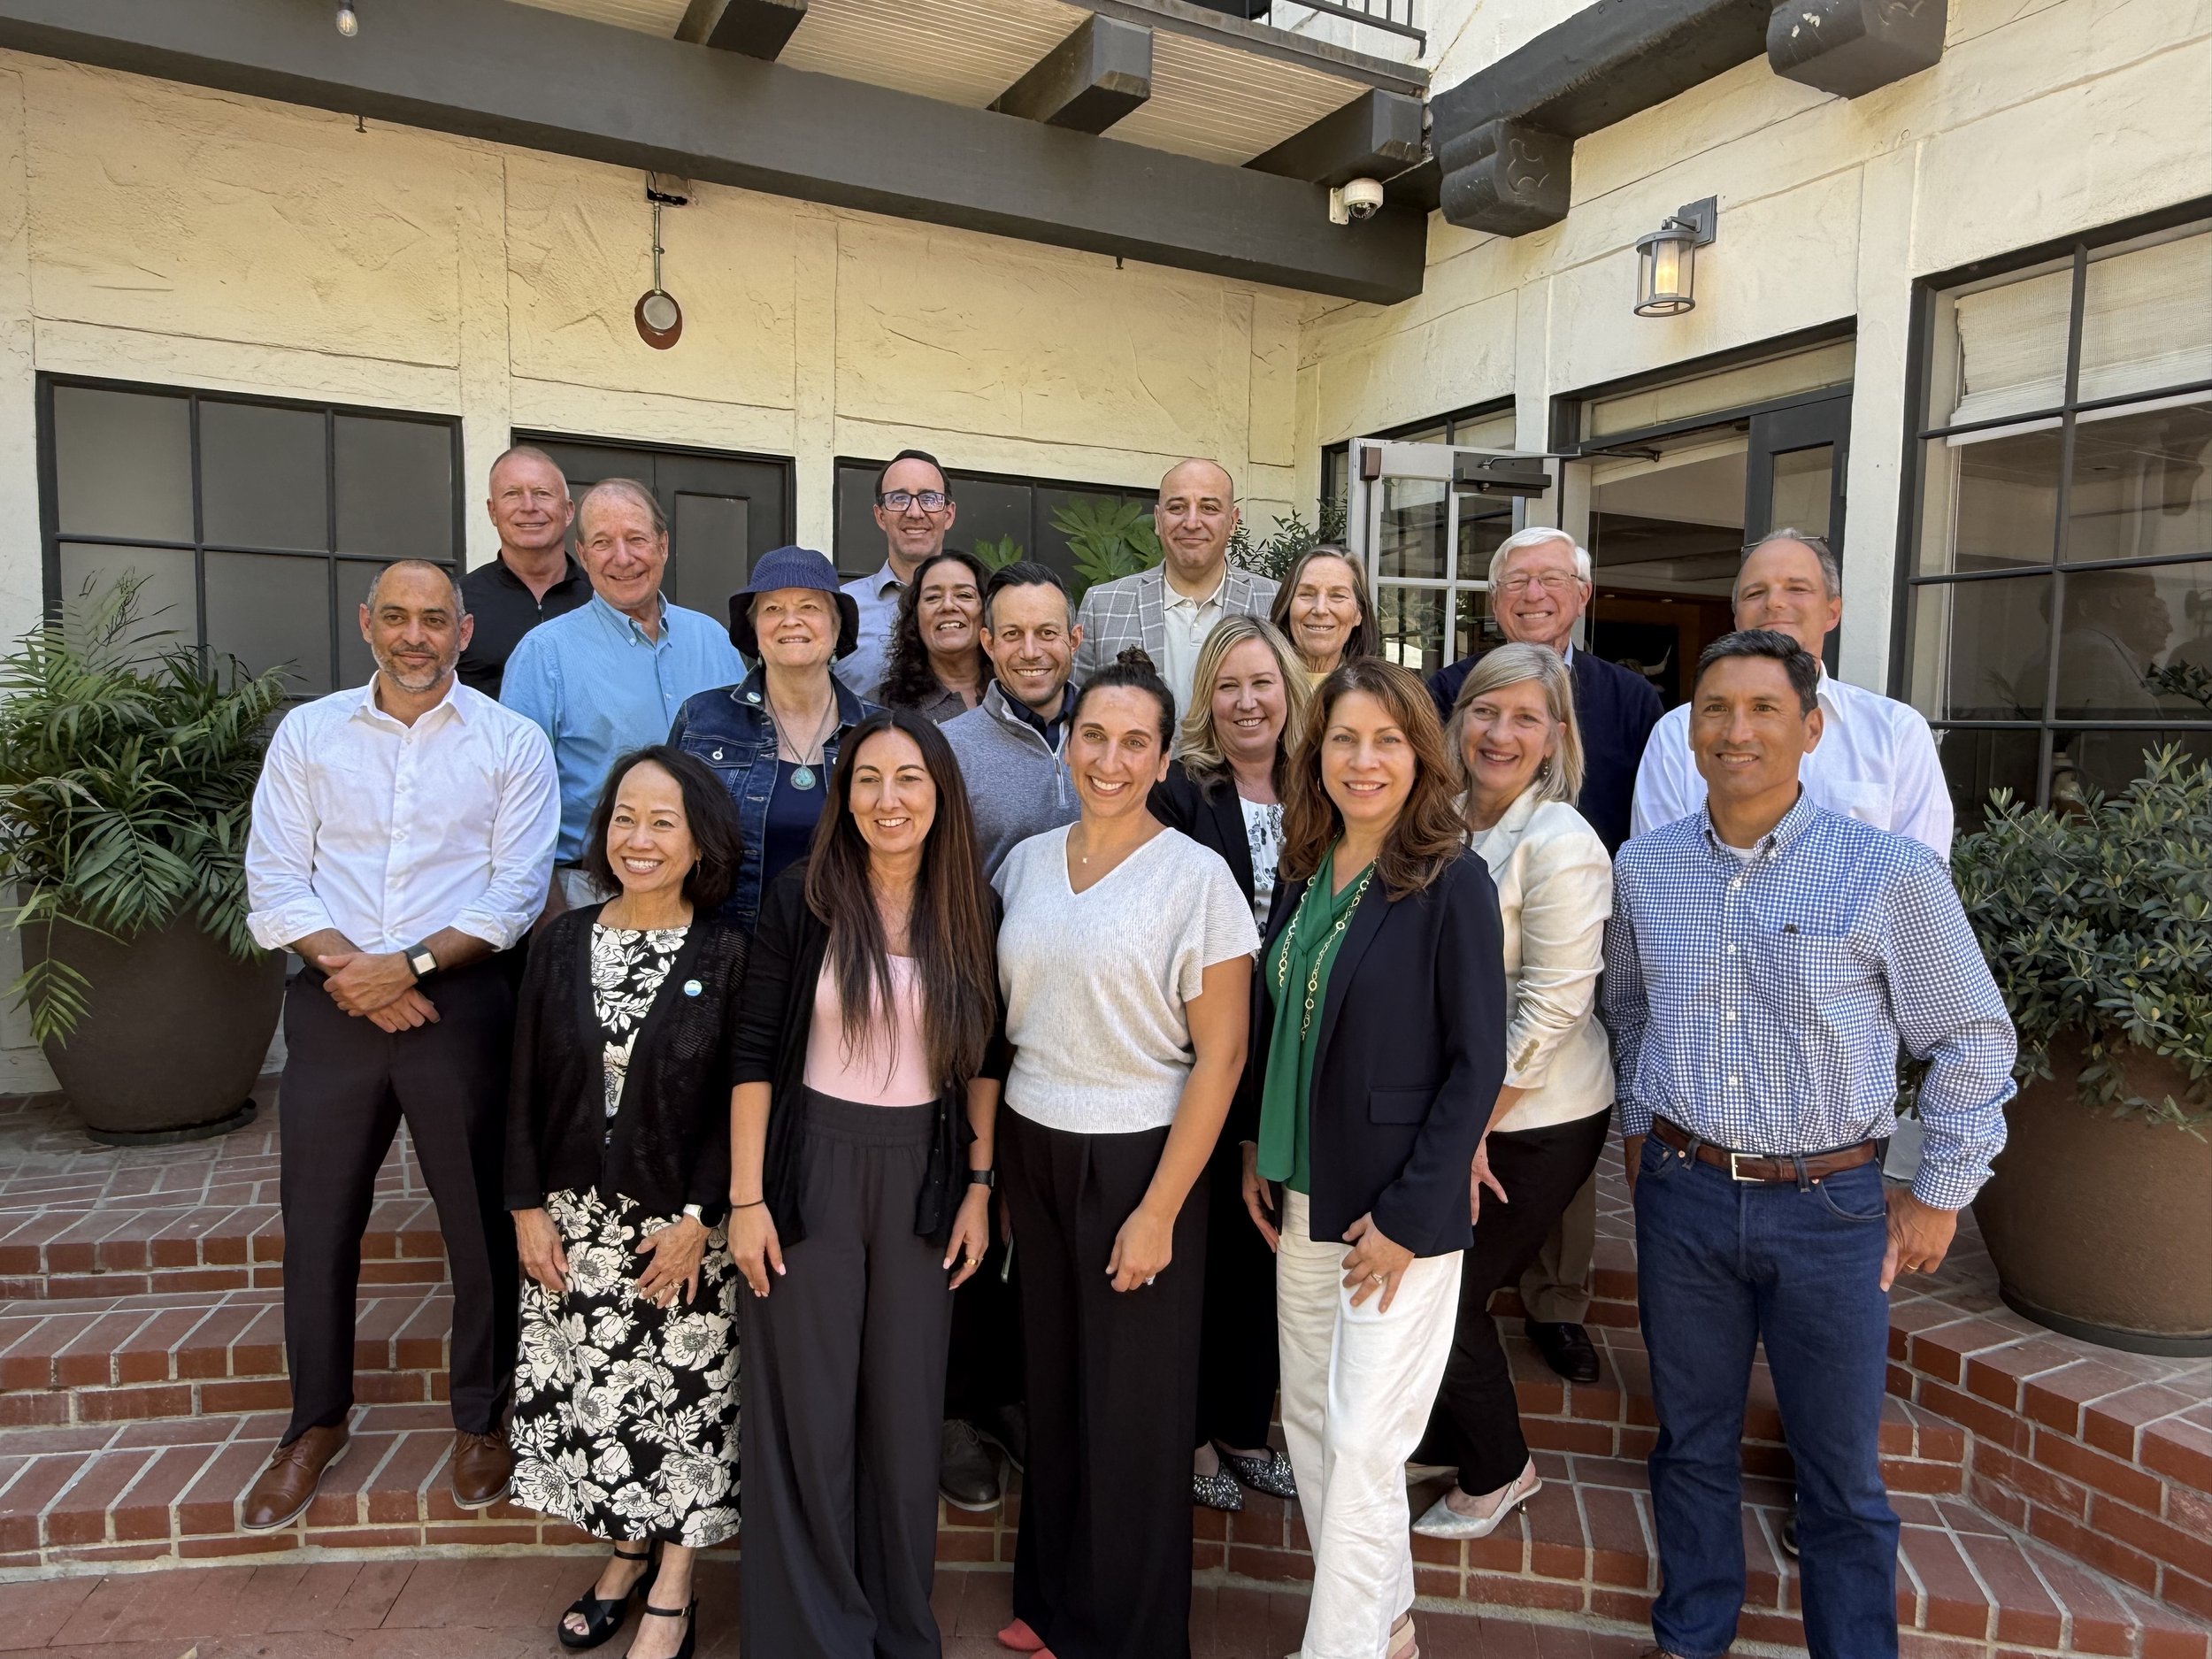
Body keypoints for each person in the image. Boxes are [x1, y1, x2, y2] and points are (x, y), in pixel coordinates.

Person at [1602, 629, 2016, 1659]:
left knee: (1839, 1476)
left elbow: (1971, 1034)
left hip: (1829, 1209)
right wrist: (1639, 1132)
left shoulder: (1885, 874)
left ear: (1810, 728)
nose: (1735, 730)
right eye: (1714, 710)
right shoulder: (1643, 869)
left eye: (1762, 709)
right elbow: (1627, 1008)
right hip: (1685, 1195)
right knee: (1690, 1447)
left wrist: (1940, 1190)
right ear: (1688, 731)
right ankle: (1691, 1638)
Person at [241, 560, 558, 1531]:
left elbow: (514, 891)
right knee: (321, 1220)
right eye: (397, 618)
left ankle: (482, 1417)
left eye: (434, 619)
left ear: (464, 632)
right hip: (337, 1004)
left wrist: (409, 968)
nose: (415, 635)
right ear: (367, 624)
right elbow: (275, 878)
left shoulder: (511, 741)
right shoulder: (310, 733)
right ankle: (315, 1421)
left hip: (460, 1008)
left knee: (477, 1224)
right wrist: (361, 975)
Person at [1234, 657, 1506, 1659]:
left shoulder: (1451, 879)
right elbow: (1288, 1020)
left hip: (1396, 1214)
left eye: (1387, 740)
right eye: (1344, 738)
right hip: (1305, 1191)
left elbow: (1479, 1064)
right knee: (1310, 1423)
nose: (1363, 760)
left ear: (1419, 756)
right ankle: (1386, 1621)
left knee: (1361, 1443)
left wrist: (1407, 1215)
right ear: (1318, 754)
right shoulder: (1306, 872)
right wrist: (1261, 1139)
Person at [991, 649, 1256, 1659]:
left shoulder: (1197, 880)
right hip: (1035, 1146)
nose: (1108, 757)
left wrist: (1158, 1208)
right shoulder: (1023, 864)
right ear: (1067, 743)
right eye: (1092, 735)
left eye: (1133, 741)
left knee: (1134, 1414)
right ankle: (1055, 1603)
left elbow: (1222, 1054)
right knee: (1054, 1388)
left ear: (1160, 760)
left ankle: (1134, 1635)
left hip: (1142, 1156)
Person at [727, 710, 1004, 1659]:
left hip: (922, 1177)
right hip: (809, 1173)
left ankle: (894, 1627)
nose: (889, 801)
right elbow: (754, 1052)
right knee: (807, 1413)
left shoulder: (972, 905)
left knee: (902, 1412)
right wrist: (746, 1198)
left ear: (940, 795)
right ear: (843, 798)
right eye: (868, 781)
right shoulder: (804, 896)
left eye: (910, 780)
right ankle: (811, 1634)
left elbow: (985, 1060)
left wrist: (978, 1182)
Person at [503, 747, 749, 1659]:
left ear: (699, 843)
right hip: (572, 1228)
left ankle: (673, 1586)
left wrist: (700, 1218)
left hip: (682, 1230)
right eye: (623, 819)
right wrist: (525, 1206)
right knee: (598, 1404)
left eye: (662, 822)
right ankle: (623, 1551)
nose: (638, 839)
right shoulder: (562, 940)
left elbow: (740, 1098)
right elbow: (521, 1083)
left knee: (681, 1402)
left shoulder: (728, 952)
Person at [1426, 526, 1662, 1387]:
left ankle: (1556, 1304)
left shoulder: (1626, 700)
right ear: (1493, 601)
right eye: (1516, 580)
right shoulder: (1450, 699)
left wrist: (1468, 1123)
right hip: (1476, 1002)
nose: (1534, 593)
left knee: (1543, 1142)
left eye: (1551, 579)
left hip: (1567, 943)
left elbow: (1644, 817)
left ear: (1581, 594)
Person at [1409, 644, 1615, 1542]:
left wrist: (1467, 1128)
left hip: (1535, 1116)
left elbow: (1550, 1011)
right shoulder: (1438, 816)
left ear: (1554, 737)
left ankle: (1500, 1469)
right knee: (1424, 1284)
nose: (1499, 732)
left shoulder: (1561, 842)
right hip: (1454, 1103)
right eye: (1485, 712)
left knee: (1445, 1291)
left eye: (1525, 717)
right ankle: (1449, 1434)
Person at [1146, 614, 1310, 1513]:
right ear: (1208, 698)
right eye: (1229, 686)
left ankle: (1248, 1426)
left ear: (1289, 690)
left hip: (1290, 1056)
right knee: (1200, 1250)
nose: (1248, 702)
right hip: (1197, 1053)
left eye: (1262, 683)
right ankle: (1195, 1432)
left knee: (1264, 1251)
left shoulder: (1322, 787)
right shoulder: (1180, 792)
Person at [502, 479, 745, 910]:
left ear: (663, 545)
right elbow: (513, 798)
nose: (623, 558)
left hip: (709, 891)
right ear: (582, 554)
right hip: (591, 892)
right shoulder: (544, 653)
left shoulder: (712, 638)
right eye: (602, 543)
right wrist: (549, 910)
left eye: (637, 539)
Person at [1632, 529, 1952, 856]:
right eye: (1755, 593)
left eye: (1797, 588)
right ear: (1737, 616)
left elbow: (1919, 874)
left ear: (1832, 612)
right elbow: (1660, 871)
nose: (1774, 603)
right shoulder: (1676, 734)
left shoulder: (1896, 732)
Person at [670, 545, 879, 935]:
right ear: (754, 630)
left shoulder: (878, 732)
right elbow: (666, 838)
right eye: (773, 609)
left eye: (809, 607)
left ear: (836, 628)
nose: (790, 621)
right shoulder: (701, 719)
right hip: (722, 951)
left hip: (842, 954)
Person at [1073, 458, 1279, 713]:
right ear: (1158, 520)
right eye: (1177, 507)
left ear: (1233, 522)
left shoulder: (1275, 603)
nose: (1192, 522)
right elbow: (1077, 712)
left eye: (1209, 508)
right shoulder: (1103, 605)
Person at [942, 561, 1084, 882]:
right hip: (990, 931)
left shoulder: (1112, 740)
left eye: (1047, 633)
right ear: (989, 643)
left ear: (1074, 640)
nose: (1031, 652)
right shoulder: (949, 748)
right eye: (1012, 634)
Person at [457, 444, 588, 699]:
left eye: (542, 493)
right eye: (512, 494)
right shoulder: (458, 602)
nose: (528, 506)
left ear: (568, 510)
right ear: (493, 511)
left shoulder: (601, 599)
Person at [839, 449, 960, 700]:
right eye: (898, 498)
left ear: (948, 515)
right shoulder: (841, 608)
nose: (915, 512)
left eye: (929, 498)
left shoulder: (981, 606)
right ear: (880, 516)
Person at [876, 549, 989, 724]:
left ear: (986, 612)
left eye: (964, 595)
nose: (948, 605)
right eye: (933, 597)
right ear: (916, 618)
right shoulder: (882, 706)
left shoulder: (1017, 694)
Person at [1271, 544, 1379, 685]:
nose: (1320, 609)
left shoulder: (1376, 694)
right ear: (1287, 605)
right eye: (1306, 594)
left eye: (1337, 596)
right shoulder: (1260, 684)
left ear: (1359, 614)